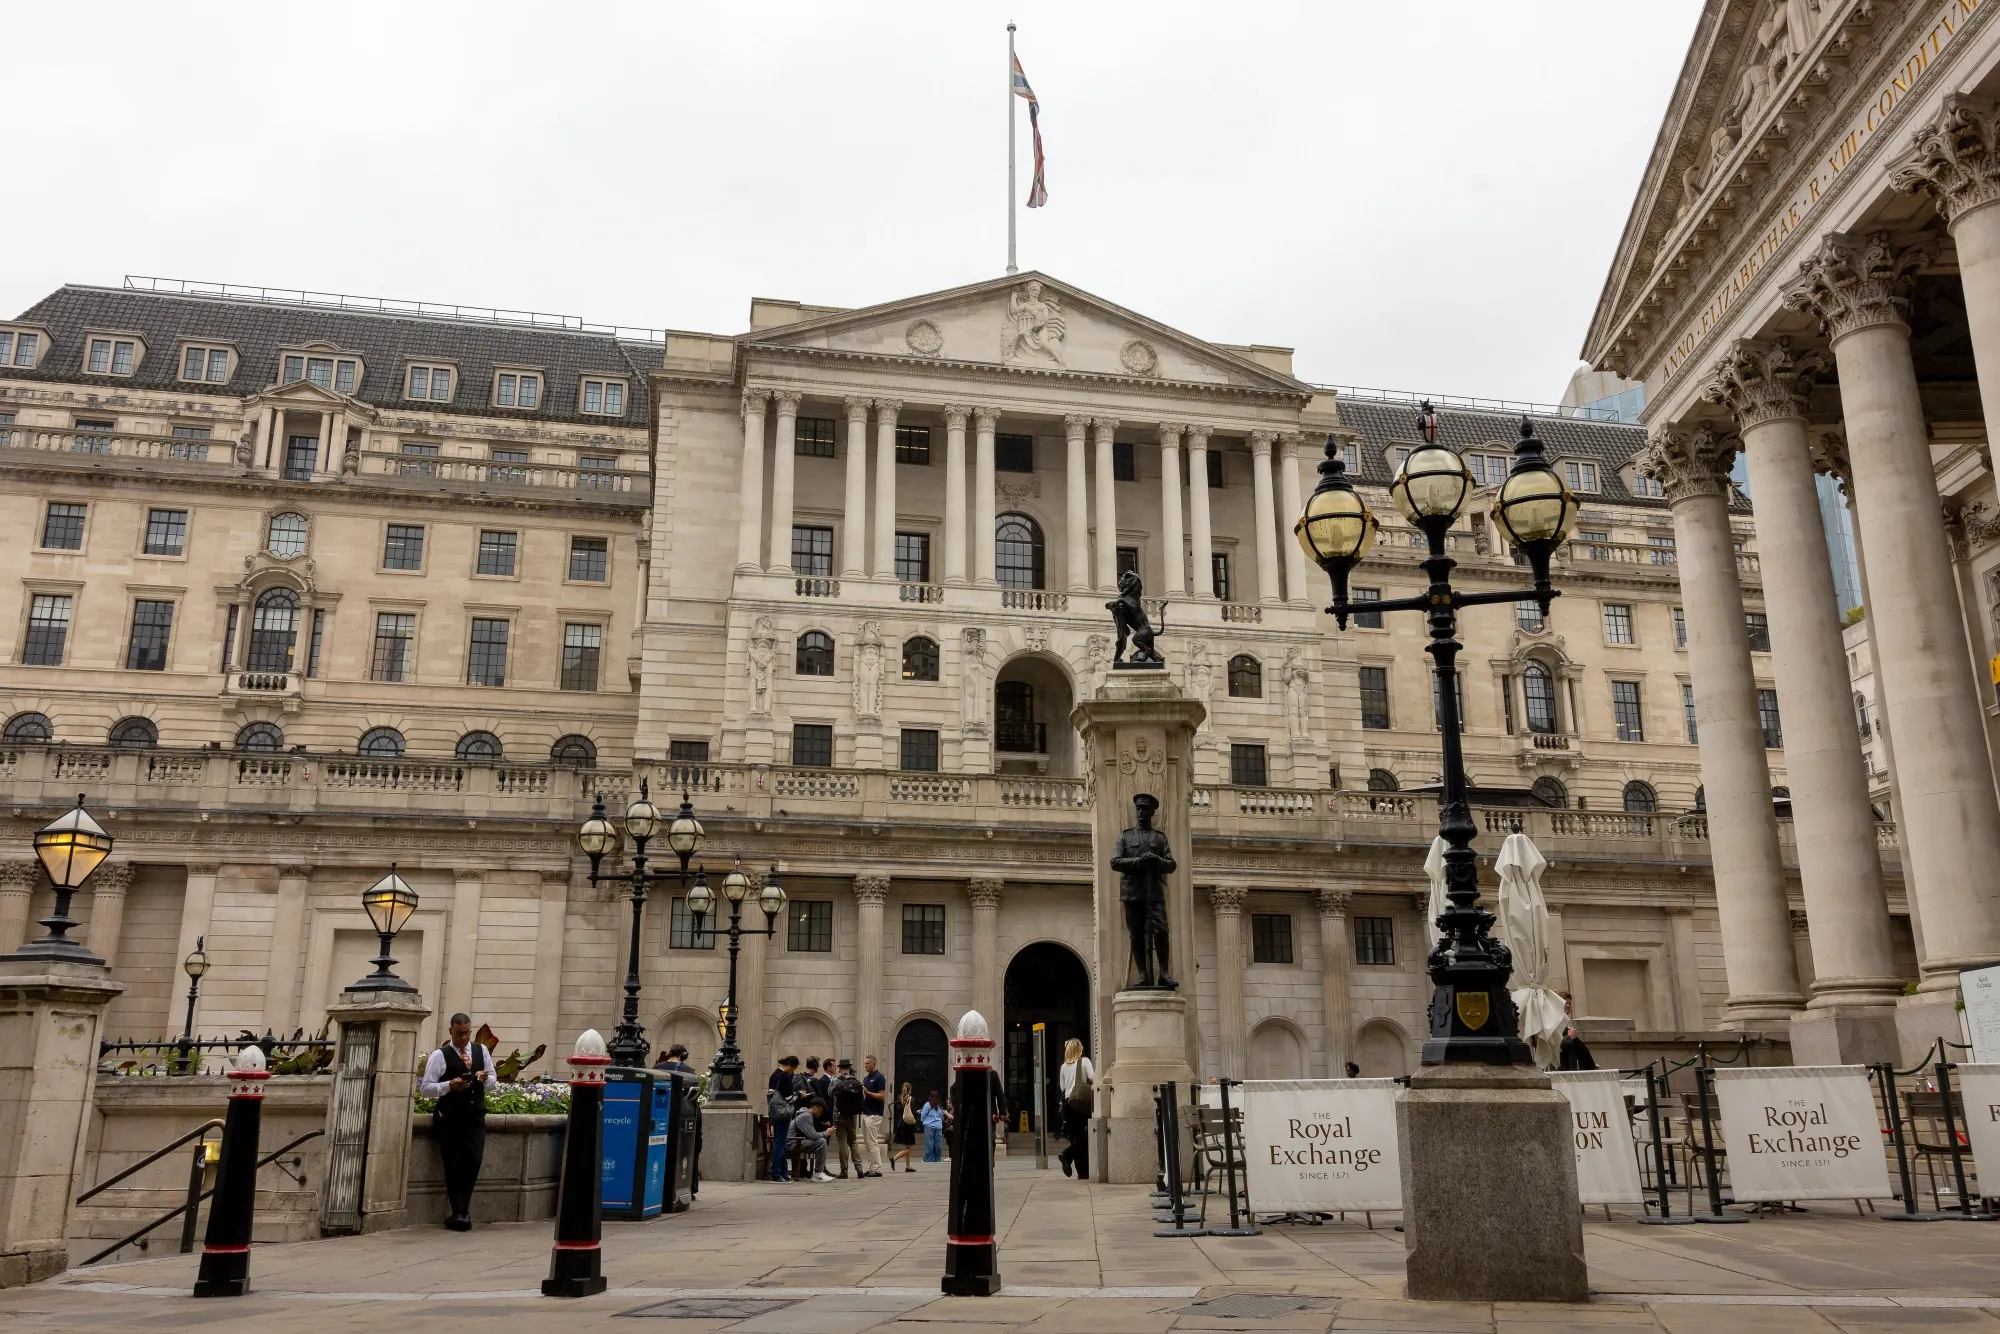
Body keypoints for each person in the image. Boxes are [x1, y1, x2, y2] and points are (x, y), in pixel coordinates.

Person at [418, 1012, 494, 1230]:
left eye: (467, 1033)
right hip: (449, 1118)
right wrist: (449, 1086)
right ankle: (460, 1213)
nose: (464, 1038)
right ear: (451, 1031)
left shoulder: (481, 1051)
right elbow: (426, 1089)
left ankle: (462, 1211)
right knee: (453, 1165)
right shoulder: (439, 1056)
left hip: (475, 1116)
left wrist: (485, 1079)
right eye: (459, 1033)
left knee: (473, 1161)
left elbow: (493, 1081)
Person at [1057, 1038, 1095, 1181]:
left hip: (1068, 1104)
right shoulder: (1084, 1061)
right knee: (1085, 1136)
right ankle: (1067, 1155)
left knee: (1075, 1137)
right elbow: (1092, 1078)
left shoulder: (1063, 1067)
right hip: (1080, 1103)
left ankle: (1082, 1172)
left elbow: (1062, 1087)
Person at [831, 1059, 870, 1178]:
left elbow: (829, 1093)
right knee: (853, 1142)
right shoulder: (856, 1081)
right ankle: (859, 1169)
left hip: (839, 1116)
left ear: (839, 1068)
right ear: (849, 1067)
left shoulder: (836, 1080)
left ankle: (844, 1170)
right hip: (853, 1116)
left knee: (842, 1142)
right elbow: (862, 1097)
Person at [767, 1055, 800, 1182]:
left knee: (779, 1141)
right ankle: (776, 1173)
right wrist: (799, 1095)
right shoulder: (785, 1076)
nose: (793, 1072)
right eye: (794, 1069)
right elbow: (789, 1098)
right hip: (783, 1112)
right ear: (791, 1066)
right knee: (780, 1144)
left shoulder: (775, 1074)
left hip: (774, 1111)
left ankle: (783, 1173)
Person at [790, 1098, 832, 1182]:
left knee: (820, 1141)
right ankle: (818, 1174)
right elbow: (814, 1136)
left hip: (795, 1142)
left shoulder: (805, 1115)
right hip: (791, 1144)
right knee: (822, 1142)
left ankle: (818, 1172)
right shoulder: (806, 1116)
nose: (820, 1114)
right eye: (820, 1111)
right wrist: (826, 1133)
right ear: (815, 1108)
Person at [860, 1055, 888, 1176]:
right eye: (865, 1063)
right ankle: (871, 1167)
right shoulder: (866, 1078)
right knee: (866, 1143)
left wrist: (868, 1093)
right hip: (865, 1112)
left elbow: (882, 1096)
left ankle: (878, 1169)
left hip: (874, 1114)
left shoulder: (879, 1077)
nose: (865, 1065)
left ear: (874, 1064)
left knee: (872, 1142)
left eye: (868, 1063)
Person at [889, 1081, 918, 1172]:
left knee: (907, 1146)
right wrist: (917, 1113)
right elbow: (913, 1112)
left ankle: (908, 1166)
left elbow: (899, 1111)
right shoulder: (911, 1099)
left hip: (901, 1124)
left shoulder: (899, 1098)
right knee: (910, 1148)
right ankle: (894, 1158)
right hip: (908, 1125)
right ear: (910, 1090)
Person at [920, 1089, 947, 1163]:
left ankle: (929, 1158)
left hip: (929, 1126)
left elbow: (923, 1115)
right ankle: (937, 1158)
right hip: (938, 1126)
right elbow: (941, 1115)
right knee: (938, 1143)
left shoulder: (927, 1105)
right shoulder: (939, 1105)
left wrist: (923, 1121)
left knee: (929, 1142)